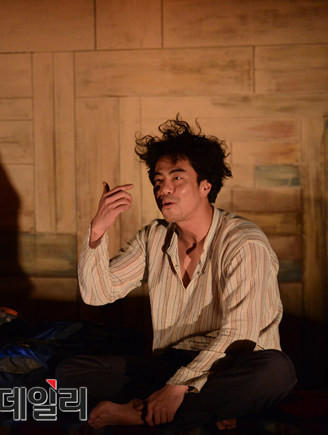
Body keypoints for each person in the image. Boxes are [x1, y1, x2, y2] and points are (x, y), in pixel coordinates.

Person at [56, 116, 297, 431]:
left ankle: (142, 415)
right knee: (70, 372)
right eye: (158, 181)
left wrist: (178, 386)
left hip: (230, 362)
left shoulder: (244, 243)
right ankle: (207, 410)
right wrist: (98, 231)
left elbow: (240, 334)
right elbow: (97, 294)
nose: (163, 189)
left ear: (205, 186)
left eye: (177, 178)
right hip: (171, 363)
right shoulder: (154, 237)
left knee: (277, 371)